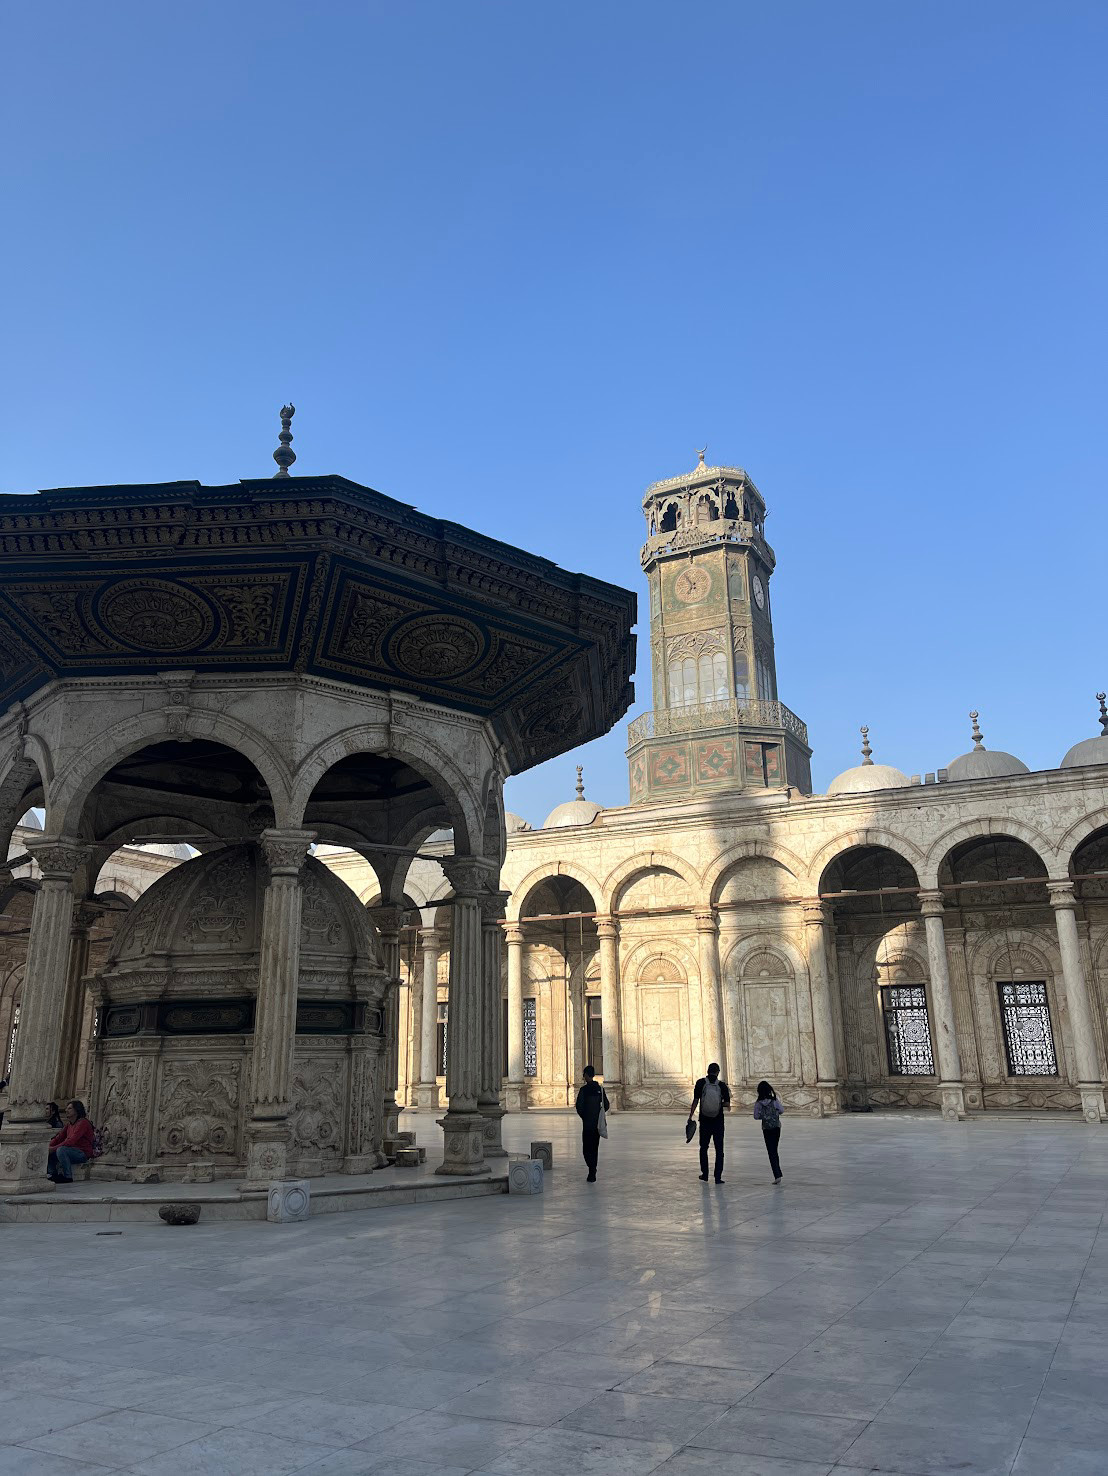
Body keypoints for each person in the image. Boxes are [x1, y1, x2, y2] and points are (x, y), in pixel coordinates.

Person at [688, 1062, 731, 1183]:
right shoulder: (722, 1086)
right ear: (718, 1072)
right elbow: (727, 1105)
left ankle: (705, 1174)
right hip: (718, 1121)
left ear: (707, 1071)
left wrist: (690, 1116)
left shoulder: (700, 1083)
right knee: (719, 1149)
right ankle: (718, 1177)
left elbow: (695, 1101)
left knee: (703, 1148)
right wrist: (719, 1104)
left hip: (705, 1121)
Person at [574, 1065, 609, 1183]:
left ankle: (591, 1168)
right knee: (594, 1148)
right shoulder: (600, 1089)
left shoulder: (584, 1090)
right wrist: (598, 1114)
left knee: (586, 1148)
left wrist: (585, 1117)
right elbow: (607, 1105)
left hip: (588, 1125)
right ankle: (593, 1169)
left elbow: (579, 1106)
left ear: (586, 1075)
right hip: (597, 1125)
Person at [47, 1100, 95, 1184]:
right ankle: (53, 1174)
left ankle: (67, 1176)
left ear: (77, 1110)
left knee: (61, 1150)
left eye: (70, 1108)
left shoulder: (83, 1123)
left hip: (82, 1153)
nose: (66, 1110)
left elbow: (71, 1141)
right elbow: (58, 1138)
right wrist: (47, 1147)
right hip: (71, 1151)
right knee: (49, 1152)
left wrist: (53, 1148)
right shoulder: (69, 1124)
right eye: (66, 1108)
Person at [753, 1079, 784, 1183]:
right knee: (774, 1150)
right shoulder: (774, 1101)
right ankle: (778, 1173)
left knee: (771, 1151)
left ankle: (777, 1175)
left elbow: (756, 1116)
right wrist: (774, 1114)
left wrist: (764, 1115)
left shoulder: (758, 1103)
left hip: (766, 1129)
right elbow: (782, 1110)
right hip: (776, 1127)